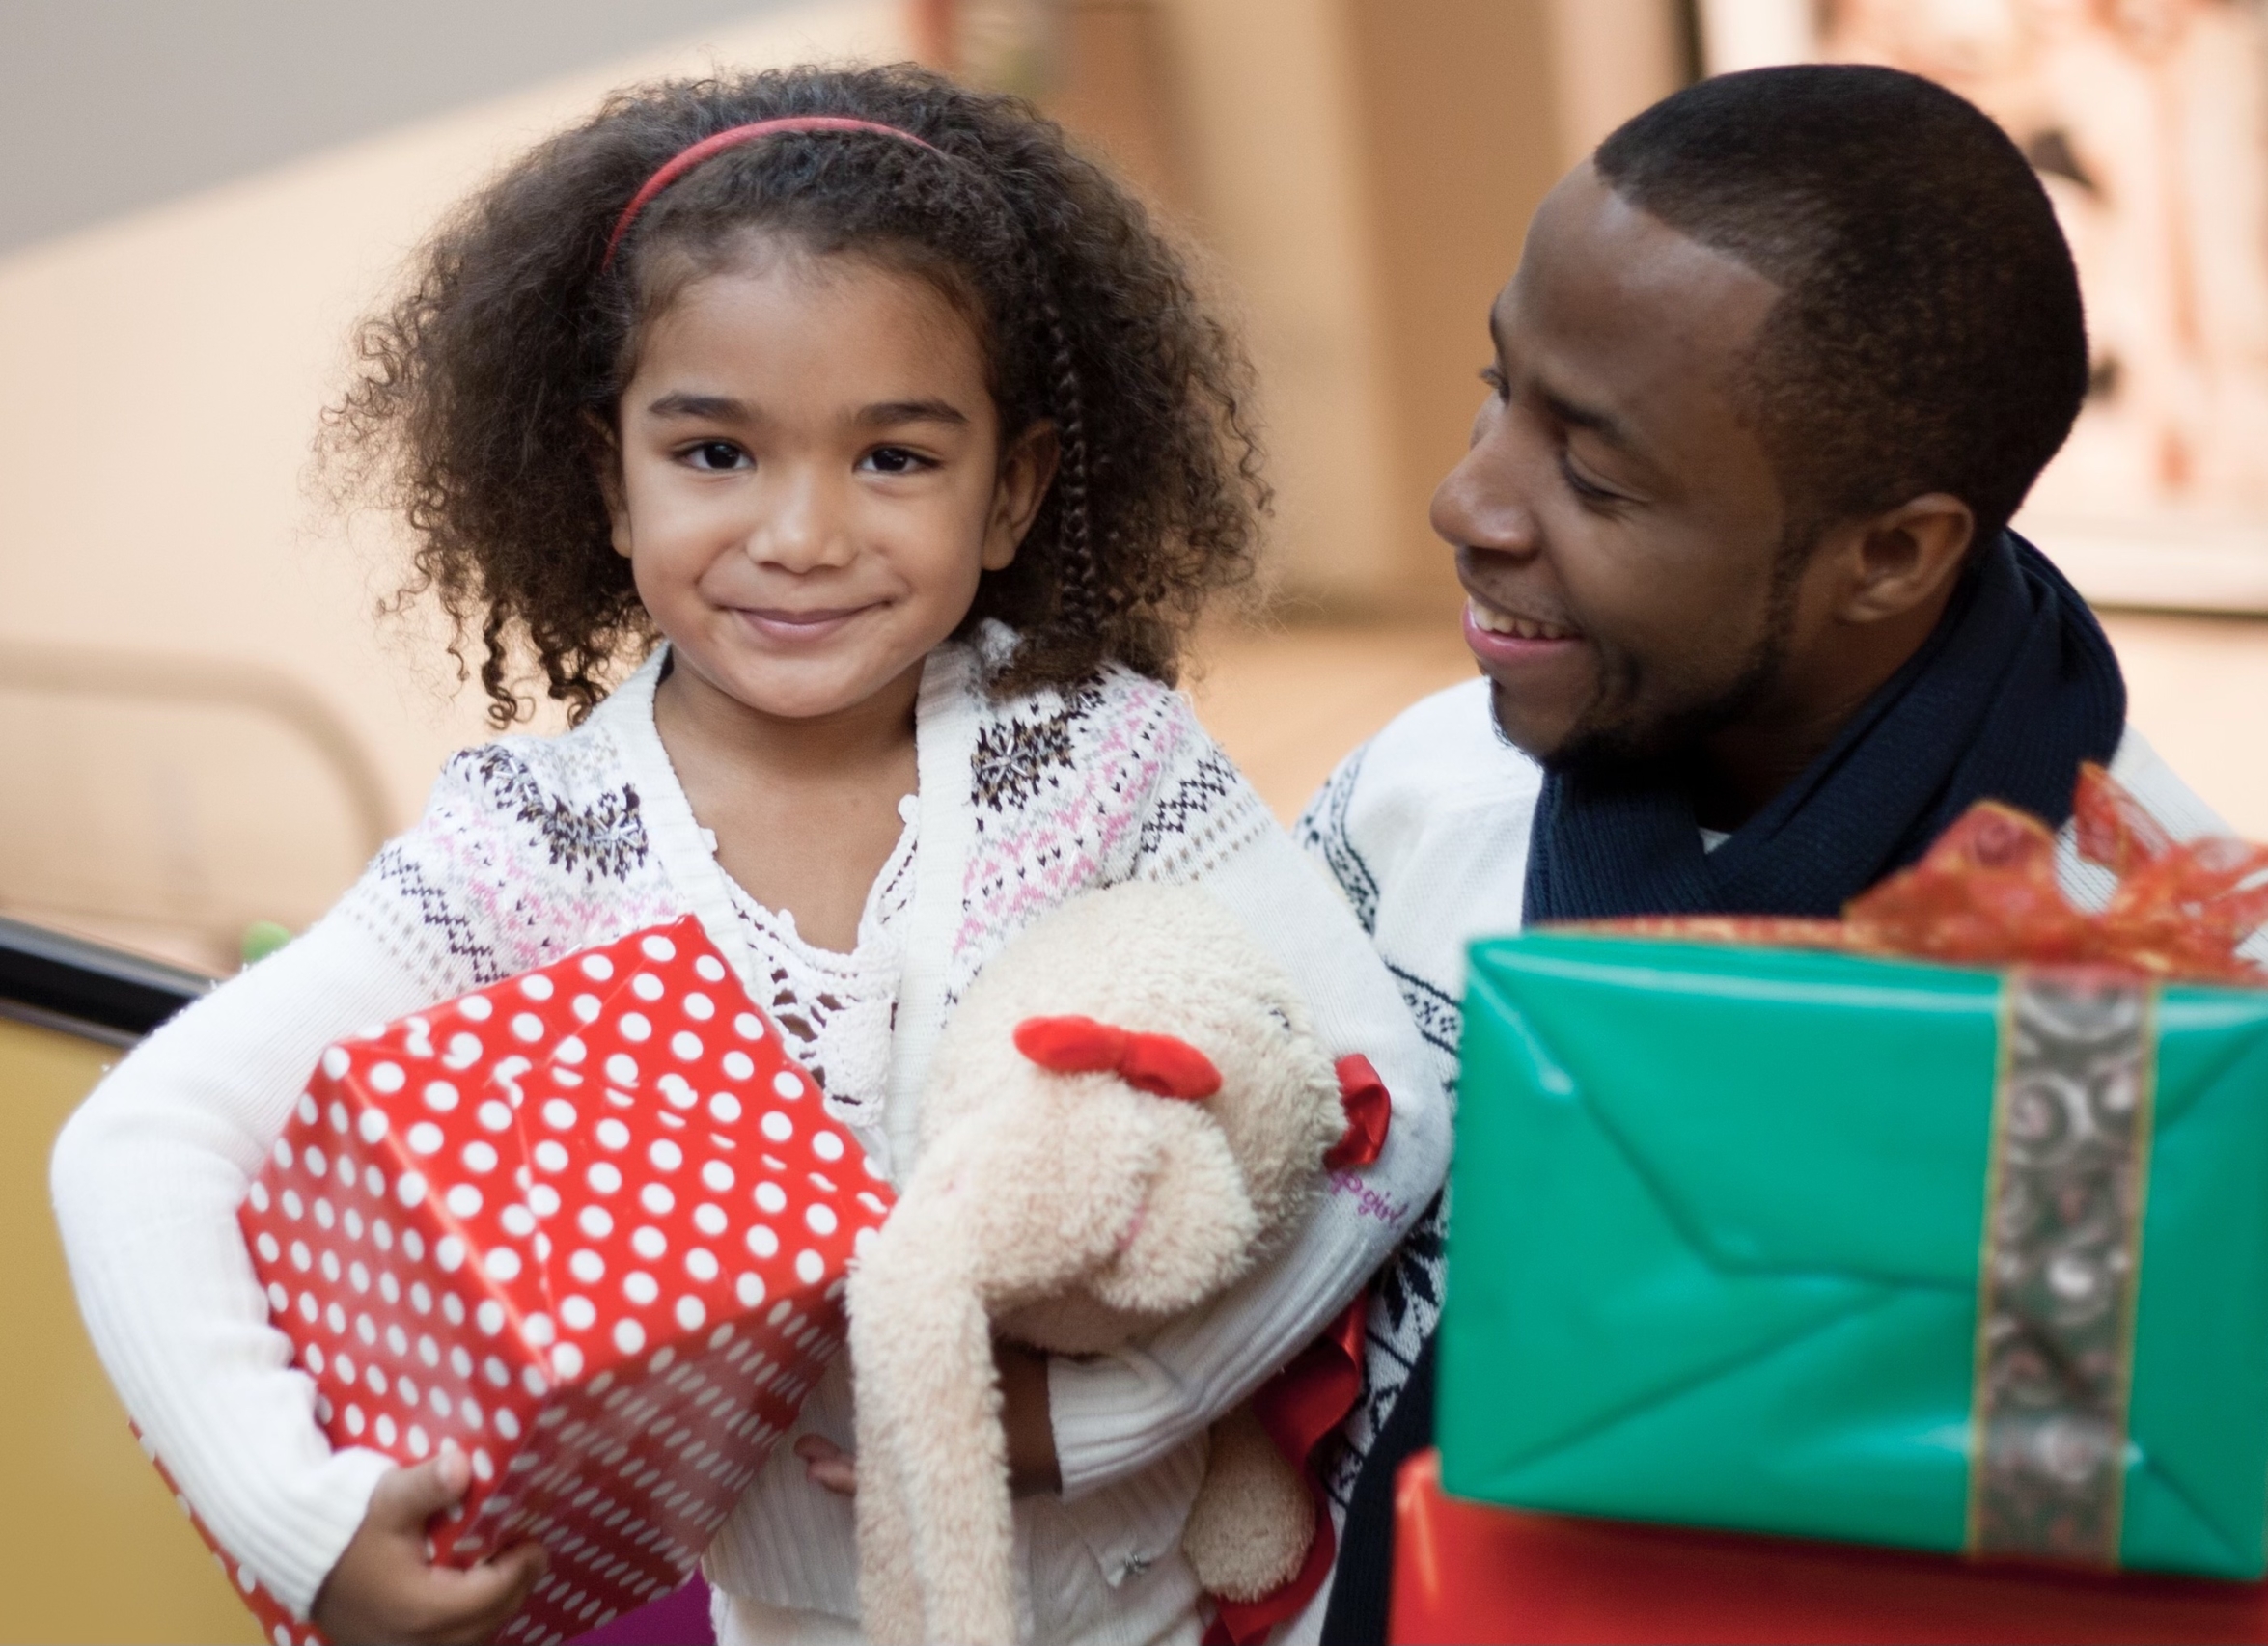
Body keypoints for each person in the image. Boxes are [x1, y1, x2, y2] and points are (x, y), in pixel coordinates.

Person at [49, 64, 1448, 1646]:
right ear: (608, 477)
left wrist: (1125, 1409)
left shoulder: (1103, 756)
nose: (800, 534)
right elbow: (140, 1143)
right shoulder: (539, 842)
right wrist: (295, 1522)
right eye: (715, 453)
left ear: (1016, 491)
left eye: (894, 458)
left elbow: (1378, 1103)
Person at [1294, 65, 2268, 1643]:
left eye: (1593, 473)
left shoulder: (2219, 1019)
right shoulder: (1415, 795)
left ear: (1895, 553)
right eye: (1498, 387)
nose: (1468, 497)